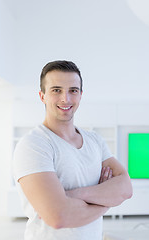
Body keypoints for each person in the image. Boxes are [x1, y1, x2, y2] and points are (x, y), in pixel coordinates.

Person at [12, 60, 133, 240]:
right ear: (42, 96)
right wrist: (106, 200)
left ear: (81, 95)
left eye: (73, 91)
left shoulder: (95, 141)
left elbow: (125, 189)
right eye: (56, 90)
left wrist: (72, 195)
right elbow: (58, 217)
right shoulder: (34, 145)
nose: (65, 99)